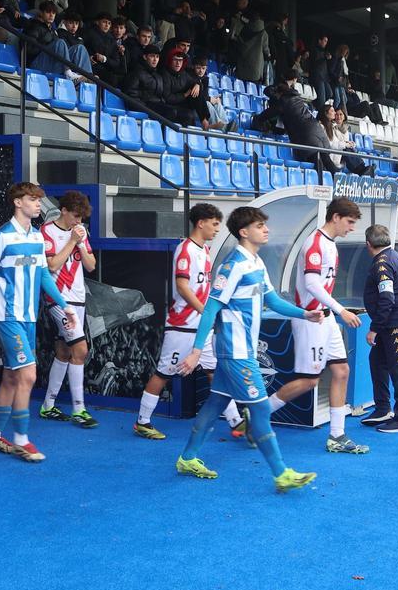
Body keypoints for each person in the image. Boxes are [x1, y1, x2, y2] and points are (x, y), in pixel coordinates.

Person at [175, 206, 323, 492]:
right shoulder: (233, 266)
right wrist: (196, 351)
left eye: (265, 225)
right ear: (244, 232)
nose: (266, 229)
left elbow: (274, 302)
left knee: (215, 403)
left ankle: (187, 458)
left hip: (242, 351)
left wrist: (305, 314)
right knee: (260, 411)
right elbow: (210, 310)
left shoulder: (256, 263)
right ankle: (281, 474)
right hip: (235, 352)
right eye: (259, 225)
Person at [0, 182, 78, 463]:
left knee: (11, 377)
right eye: (32, 200)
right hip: (6, 316)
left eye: (38, 200)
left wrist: (65, 305)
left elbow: (45, 276)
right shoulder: (1, 237)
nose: (37, 205)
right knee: (28, 375)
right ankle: (21, 440)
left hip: (29, 316)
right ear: (17, 203)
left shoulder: (36, 237)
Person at [261, 199, 368, 453]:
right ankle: (256, 414)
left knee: (342, 370)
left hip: (326, 317)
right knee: (309, 381)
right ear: (335, 217)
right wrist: (342, 309)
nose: (351, 228)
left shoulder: (330, 244)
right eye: (349, 222)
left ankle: (337, 436)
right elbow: (311, 284)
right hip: (311, 318)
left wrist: (335, 310)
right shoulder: (315, 244)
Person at [134, 204, 229, 440]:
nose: (217, 229)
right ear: (201, 223)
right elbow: (182, 286)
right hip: (182, 325)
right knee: (164, 374)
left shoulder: (205, 250)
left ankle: (238, 422)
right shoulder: (185, 250)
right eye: (214, 224)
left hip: (201, 326)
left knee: (213, 371)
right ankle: (142, 422)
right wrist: (204, 310)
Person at [38, 191, 99, 428]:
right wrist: (73, 240)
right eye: (75, 216)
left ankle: (48, 406)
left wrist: (81, 242)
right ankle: (79, 409)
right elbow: (52, 264)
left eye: (81, 218)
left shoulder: (80, 232)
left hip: (78, 297)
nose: (78, 221)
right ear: (63, 210)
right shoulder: (47, 231)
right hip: (58, 298)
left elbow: (91, 266)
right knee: (81, 350)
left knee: (64, 351)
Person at [361, 224, 398, 433]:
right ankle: (383, 408)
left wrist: (374, 328)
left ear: (368, 244)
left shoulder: (382, 264)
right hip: (395, 319)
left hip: (394, 321)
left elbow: (387, 298)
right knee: (377, 361)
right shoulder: (394, 256)